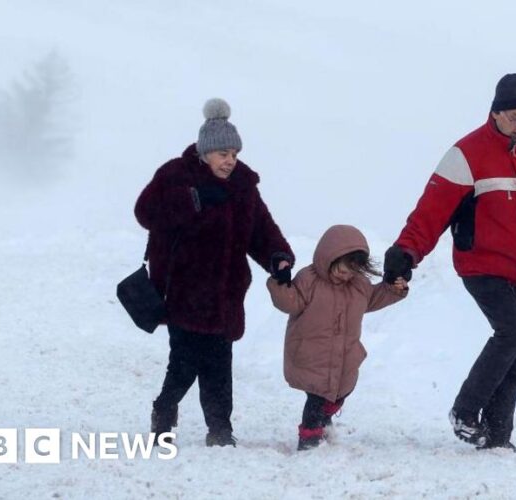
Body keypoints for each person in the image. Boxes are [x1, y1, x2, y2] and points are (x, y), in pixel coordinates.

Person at [383, 73, 516, 450]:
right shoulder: (466, 154)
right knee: (512, 334)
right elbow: (430, 214)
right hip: (482, 266)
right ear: (496, 113)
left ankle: (498, 437)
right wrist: (406, 253)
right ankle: (465, 412)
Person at [134, 98, 295, 447]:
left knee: (219, 365)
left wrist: (278, 257)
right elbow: (145, 212)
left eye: (234, 154)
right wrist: (189, 201)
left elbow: (262, 230)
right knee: (184, 362)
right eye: (222, 153)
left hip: (225, 292)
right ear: (205, 152)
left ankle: (220, 429)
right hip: (183, 289)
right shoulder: (176, 175)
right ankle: (164, 407)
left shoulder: (243, 188)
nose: (230, 160)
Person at [267, 225, 409, 450]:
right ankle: (309, 441)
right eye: (342, 271)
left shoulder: (359, 285)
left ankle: (324, 420)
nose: (346, 276)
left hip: (344, 357)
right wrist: (279, 280)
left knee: (341, 392)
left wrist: (393, 289)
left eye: (352, 271)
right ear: (328, 258)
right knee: (316, 399)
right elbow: (289, 302)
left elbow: (373, 299)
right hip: (312, 355)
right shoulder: (309, 279)